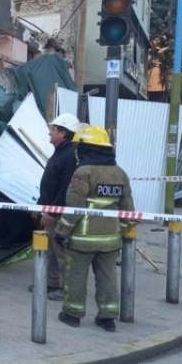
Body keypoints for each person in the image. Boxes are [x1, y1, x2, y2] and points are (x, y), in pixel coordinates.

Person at [55, 125, 135, 332]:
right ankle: (107, 317)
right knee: (108, 278)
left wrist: (62, 231)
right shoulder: (120, 173)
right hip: (110, 240)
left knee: (76, 277)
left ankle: (72, 314)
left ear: (86, 148)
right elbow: (128, 208)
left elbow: (74, 206)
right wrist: (126, 231)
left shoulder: (83, 172)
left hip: (82, 239)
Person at [32, 113, 82, 301]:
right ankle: (52, 283)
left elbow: (65, 188)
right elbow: (51, 183)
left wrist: (52, 212)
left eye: (53, 129)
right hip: (50, 210)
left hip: (58, 214)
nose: (49, 133)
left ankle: (66, 288)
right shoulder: (62, 152)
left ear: (63, 133)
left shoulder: (69, 155)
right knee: (51, 249)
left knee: (61, 252)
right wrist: (41, 206)